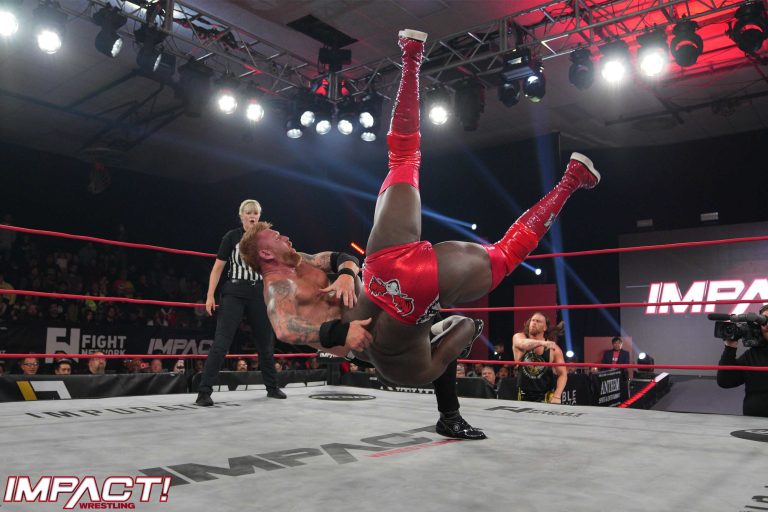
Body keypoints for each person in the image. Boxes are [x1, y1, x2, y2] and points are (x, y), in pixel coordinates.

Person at [239, 30, 597, 429]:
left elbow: (338, 257)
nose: (284, 236)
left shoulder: (300, 260)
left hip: (388, 286)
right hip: (385, 327)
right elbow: (285, 329)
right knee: (408, 165)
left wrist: (346, 273)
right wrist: (342, 332)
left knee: (489, 248)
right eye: (275, 237)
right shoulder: (278, 289)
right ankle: (411, 54)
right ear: (264, 253)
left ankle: (570, 179)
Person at [196, 199, 285, 407]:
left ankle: (272, 387)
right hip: (234, 292)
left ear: (259, 216)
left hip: (259, 293)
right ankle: (204, 391)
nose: (252, 216)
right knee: (221, 342)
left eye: (255, 213)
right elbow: (218, 267)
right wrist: (210, 295)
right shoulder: (232, 237)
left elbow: (276, 268)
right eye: (249, 213)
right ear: (241, 216)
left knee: (265, 343)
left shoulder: (266, 238)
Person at [716, 304, 768, 417]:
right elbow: (725, 381)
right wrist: (730, 347)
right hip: (752, 422)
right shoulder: (752, 355)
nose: (767, 325)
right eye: (764, 320)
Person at [512, 312, 567, 404]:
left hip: (544, 396)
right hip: (522, 394)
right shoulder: (519, 337)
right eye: (532, 320)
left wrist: (557, 396)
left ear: (545, 328)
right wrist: (541, 343)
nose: (534, 323)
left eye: (538, 321)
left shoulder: (554, 349)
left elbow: (563, 374)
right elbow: (522, 344)